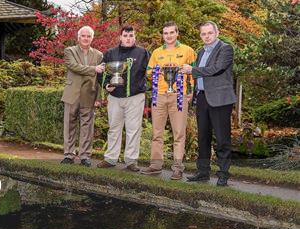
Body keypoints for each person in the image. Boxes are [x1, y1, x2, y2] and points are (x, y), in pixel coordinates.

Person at [181, 21, 236, 186]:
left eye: (210, 33)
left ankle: (223, 174)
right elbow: (200, 77)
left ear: (217, 33)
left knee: (222, 138)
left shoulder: (225, 48)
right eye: (203, 34)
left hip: (220, 99)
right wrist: (193, 91)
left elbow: (217, 68)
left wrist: (193, 70)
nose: (207, 36)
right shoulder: (200, 51)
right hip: (203, 98)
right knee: (203, 137)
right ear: (201, 35)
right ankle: (203, 172)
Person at [140, 22, 196, 180]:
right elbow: (149, 72)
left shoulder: (187, 50)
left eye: (172, 32)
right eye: (166, 33)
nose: (169, 36)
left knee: (179, 133)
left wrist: (191, 91)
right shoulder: (157, 52)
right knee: (157, 133)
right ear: (162, 35)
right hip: (159, 96)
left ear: (177, 33)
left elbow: (193, 73)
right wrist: (157, 70)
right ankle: (155, 166)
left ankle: (177, 168)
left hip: (179, 96)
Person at [96, 25, 149, 171]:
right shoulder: (110, 53)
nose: (128, 38)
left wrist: (145, 86)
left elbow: (150, 72)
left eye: (131, 35)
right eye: (125, 36)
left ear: (135, 37)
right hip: (115, 97)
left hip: (135, 97)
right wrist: (106, 85)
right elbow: (101, 72)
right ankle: (110, 158)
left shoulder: (143, 53)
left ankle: (131, 161)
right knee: (114, 128)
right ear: (120, 37)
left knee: (133, 129)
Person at [61, 26, 104, 167]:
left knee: (87, 126)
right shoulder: (69, 51)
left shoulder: (98, 55)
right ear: (78, 37)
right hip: (72, 93)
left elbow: (100, 78)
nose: (86, 38)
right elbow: (74, 66)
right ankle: (69, 154)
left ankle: (85, 155)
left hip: (89, 94)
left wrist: (99, 97)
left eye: (88, 36)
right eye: (83, 36)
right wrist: (93, 69)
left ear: (92, 38)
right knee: (69, 124)